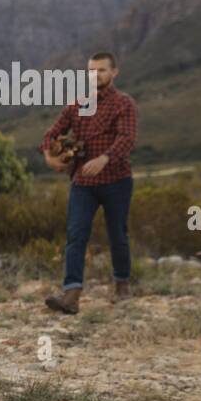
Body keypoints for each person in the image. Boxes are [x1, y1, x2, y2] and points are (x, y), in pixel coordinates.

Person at [39, 52, 138, 315]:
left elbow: (127, 139)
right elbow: (50, 134)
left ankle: (122, 285)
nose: (96, 75)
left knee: (117, 234)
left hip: (116, 180)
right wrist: (50, 158)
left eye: (102, 70)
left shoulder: (124, 104)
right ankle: (71, 295)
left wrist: (105, 158)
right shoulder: (77, 105)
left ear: (114, 72)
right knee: (76, 234)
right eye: (92, 71)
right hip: (82, 183)